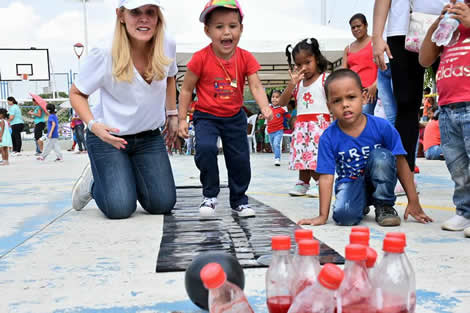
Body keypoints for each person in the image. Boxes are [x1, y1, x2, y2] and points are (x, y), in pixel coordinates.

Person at [69, 0, 178, 219]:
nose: (144, 18)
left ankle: (123, 177)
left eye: (150, 12)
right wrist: (93, 126)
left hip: (148, 138)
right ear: (120, 15)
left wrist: (172, 114)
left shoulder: (166, 43)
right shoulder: (104, 51)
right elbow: (77, 93)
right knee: (120, 208)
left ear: (158, 17)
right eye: (135, 12)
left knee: (162, 204)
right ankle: (93, 183)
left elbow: (170, 76)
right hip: (108, 138)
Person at [298, 69, 433, 227]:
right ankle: (359, 204)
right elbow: (326, 177)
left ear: (363, 98)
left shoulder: (382, 127)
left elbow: (401, 162)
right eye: (337, 101)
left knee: (381, 157)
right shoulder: (328, 137)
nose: (345, 104)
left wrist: (413, 201)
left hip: (380, 180)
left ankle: (384, 205)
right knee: (344, 217)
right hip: (350, 182)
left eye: (351, 97)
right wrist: (322, 216)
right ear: (329, 107)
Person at [178, 0, 273, 217]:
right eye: (219, 27)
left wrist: (265, 107)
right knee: (206, 150)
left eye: (232, 26)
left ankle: (239, 200)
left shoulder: (246, 57)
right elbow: (186, 90)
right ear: (207, 31)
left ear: (241, 28)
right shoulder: (200, 58)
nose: (226, 32)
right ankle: (210, 196)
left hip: (234, 116)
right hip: (206, 117)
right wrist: (183, 119)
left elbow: (256, 85)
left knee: (240, 159)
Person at [372, 0, 447, 174]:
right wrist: (376, 36)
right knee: (406, 104)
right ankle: (405, 177)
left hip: (450, 20)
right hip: (403, 27)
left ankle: (463, 179)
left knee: (457, 101)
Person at [419, 0, 470, 236]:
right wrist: (436, 27)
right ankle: (464, 211)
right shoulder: (452, 19)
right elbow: (425, 60)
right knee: (456, 165)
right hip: (448, 106)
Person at [277, 38, 331, 198]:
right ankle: (303, 182)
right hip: (302, 126)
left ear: (317, 59)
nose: (304, 68)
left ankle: (320, 181)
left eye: (308, 62)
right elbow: (282, 102)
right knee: (303, 153)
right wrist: (291, 84)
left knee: (316, 155)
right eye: (299, 65)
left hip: (319, 125)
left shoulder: (325, 79)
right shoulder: (298, 84)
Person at [343, 13, 378, 115]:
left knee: (366, 120)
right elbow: (344, 73)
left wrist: (376, 85)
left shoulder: (375, 42)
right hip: (353, 93)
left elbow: (384, 66)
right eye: (353, 27)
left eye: (359, 26)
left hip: (371, 91)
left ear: (366, 25)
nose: (356, 29)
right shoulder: (348, 48)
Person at [267, 90, 290, 166]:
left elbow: (288, 117)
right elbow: (265, 115)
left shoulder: (282, 108)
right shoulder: (269, 107)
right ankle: (276, 153)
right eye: (273, 97)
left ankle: (277, 159)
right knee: (273, 146)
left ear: (281, 99)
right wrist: (262, 116)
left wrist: (288, 115)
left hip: (279, 130)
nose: (274, 99)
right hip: (270, 130)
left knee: (276, 144)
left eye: (277, 97)